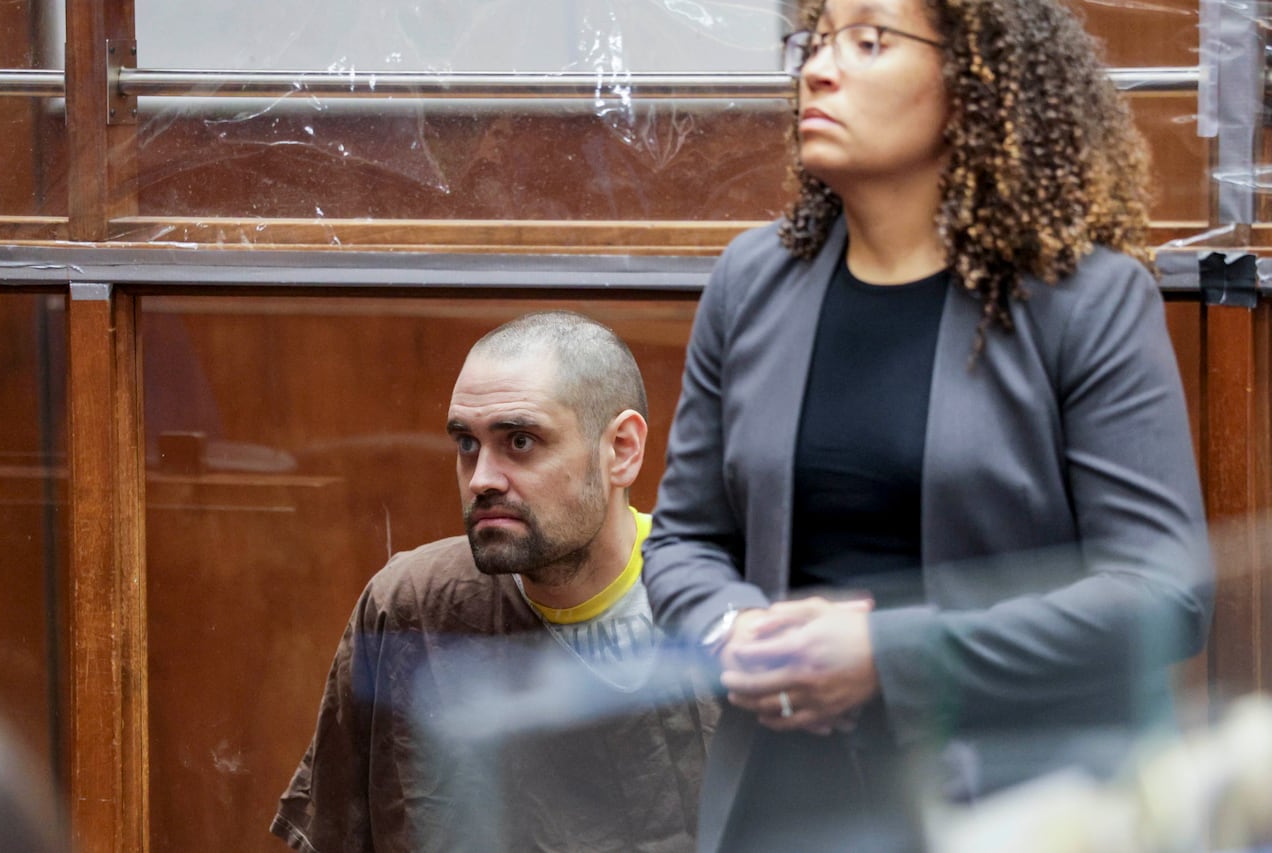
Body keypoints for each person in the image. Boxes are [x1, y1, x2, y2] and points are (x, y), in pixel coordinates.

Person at [641, 0, 1214, 850]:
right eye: (816, 39)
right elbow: (683, 539)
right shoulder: (751, 280)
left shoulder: (1087, 300)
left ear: (974, 83)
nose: (819, 69)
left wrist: (887, 654)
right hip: (782, 804)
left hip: (1016, 806)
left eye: (868, 41)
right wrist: (735, 629)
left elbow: (1164, 595)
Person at [272, 310, 718, 853]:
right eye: (466, 444)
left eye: (521, 442)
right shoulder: (412, 605)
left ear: (621, 450)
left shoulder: (732, 605)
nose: (481, 478)